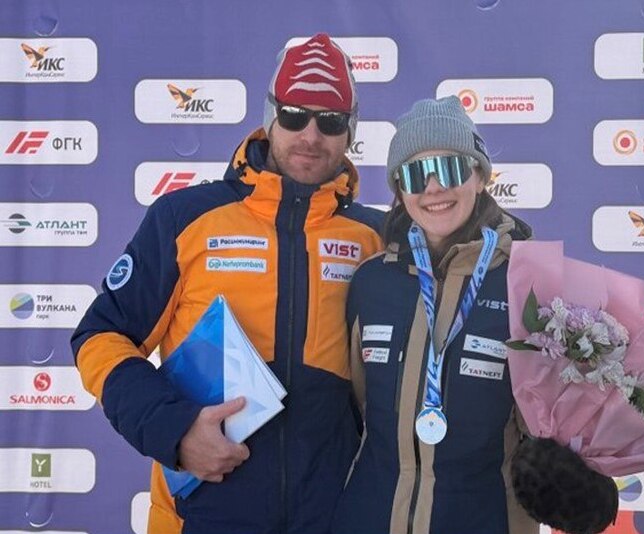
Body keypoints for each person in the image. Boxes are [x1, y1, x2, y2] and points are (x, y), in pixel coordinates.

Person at [71, 33, 383, 534]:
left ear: (350, 132)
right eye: (294, 115)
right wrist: (175, 431)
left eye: (330, 121)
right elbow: (101, 337)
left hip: (333, 515)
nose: (310, 135)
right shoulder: (186, 217)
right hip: (202, 513)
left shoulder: (375, 238)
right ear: (270, 117)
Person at [331, 96, 537, 534]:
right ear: (399, 190)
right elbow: (358, 406)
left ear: (479, 175)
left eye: (449, 168)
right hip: (370, 518)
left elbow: (546, 430)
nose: (433, 188)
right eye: (413, 175)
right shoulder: (371, 281)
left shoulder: (526, 280)